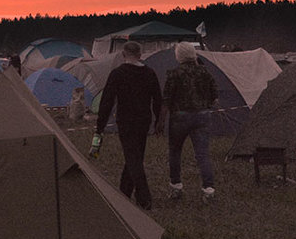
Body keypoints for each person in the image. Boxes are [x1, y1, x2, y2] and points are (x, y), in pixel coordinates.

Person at [93, 41, 162, 210]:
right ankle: (124, 193)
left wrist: (100, 126)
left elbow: (107, 101)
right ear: (140, 55)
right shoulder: (149, 73)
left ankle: (144, 198)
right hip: (144, 121)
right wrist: (158, 119)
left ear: (124, 55)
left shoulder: (117, 74)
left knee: (133, 158)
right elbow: (158, 99)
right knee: (135, 156)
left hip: (126, 121)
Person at [162, 42, 218, 202]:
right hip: (202, 116)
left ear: (178, 56)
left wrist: (160, 122)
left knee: (175, 152)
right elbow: (215, 95)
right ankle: (209, 190)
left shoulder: (174, 73)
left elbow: (166, 100)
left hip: (179, 117)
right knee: (202, 154)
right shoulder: (204, 72)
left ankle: (176, 187)